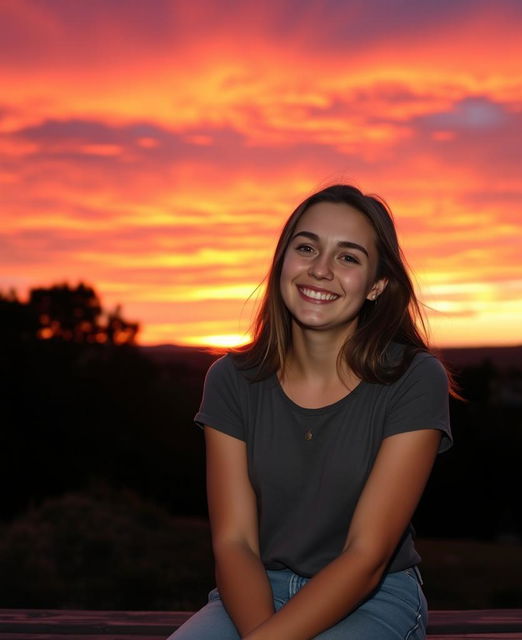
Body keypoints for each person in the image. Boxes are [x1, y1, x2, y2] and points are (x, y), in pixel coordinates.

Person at [168, 184, 453, 640]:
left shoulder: (413, 380)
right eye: (306, 248)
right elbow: (235, 542)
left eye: (348, 257)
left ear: (378, 284)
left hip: (374, 595)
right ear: (283, 261)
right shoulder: (231, 380)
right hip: (258, 589)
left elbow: (367, 556)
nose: (320, 270)